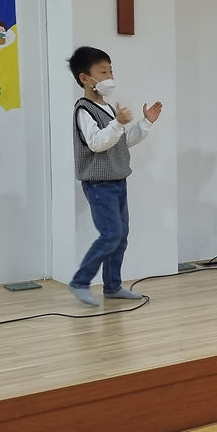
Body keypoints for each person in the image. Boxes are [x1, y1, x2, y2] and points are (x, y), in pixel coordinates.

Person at [68, 46, 163, 306]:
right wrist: (118, 123)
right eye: (103, 72)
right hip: (99, 183)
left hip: (118, 179)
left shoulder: (108, 108)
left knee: (120, 235)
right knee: (111, 233)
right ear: (84, 78)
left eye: (110, 71)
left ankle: (112, 286)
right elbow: (97, 143)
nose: (110, 77)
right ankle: (80, 281)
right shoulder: (84, 110)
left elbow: (121, 141)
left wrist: (145, 122)